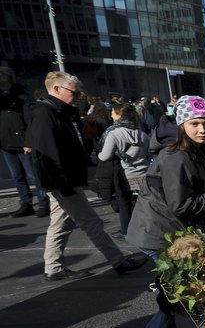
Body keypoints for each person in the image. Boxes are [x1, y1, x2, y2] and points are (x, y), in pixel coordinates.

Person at [26, 71, 145, 280]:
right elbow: (48, 153)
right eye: (74, 92)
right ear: (56, 89)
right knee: (92, 223)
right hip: (63, 181)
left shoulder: (55, 111)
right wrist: (63, 183)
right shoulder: (45, 114)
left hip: (64, 180)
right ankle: (118, 261)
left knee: (61, 223)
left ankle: (53, 268)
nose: (77, 96)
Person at [127, 96, 205, 260]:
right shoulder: (176, 156)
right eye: (194, 123)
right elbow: (181, 205)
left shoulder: (193, 147)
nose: (202, 130)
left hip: (169, 228)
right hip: (160, 233)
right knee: (187, 283)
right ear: (181, 125)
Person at [0, 66, 49, 218]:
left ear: (8, 77)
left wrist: (29, 141)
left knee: (33, 175)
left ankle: (43, 203)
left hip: (22, 140)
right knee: (17, 175)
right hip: (5, 141)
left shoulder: (21, 94)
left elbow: (29, 119)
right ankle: (25, 203)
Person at [98, 102, 150, 237]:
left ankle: (127, 231)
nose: (111, 114)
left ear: (120, 115)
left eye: (113, 112)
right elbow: (148, 154)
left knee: (124, 204)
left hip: (125, 175)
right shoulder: (142, 133)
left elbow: (105, 156)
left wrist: (98, 154)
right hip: (144, 173)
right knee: (143, 204)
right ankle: (146, 229)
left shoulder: (114, 133)